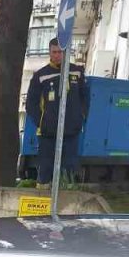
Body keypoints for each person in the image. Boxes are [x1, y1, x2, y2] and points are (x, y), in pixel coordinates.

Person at [25, 38, 89, 186]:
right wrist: (41, 121)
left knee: (69, 170)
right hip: (48, 133)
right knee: (45, 169)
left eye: (60, 52)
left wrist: (81, 116)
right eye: (54, 52)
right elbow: (31, 104)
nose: (57, 55)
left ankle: (67, 203)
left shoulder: (77, 72)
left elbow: (85, 97)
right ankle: (43, 202)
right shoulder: (40, 75)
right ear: (49, 53)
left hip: (71, 131)